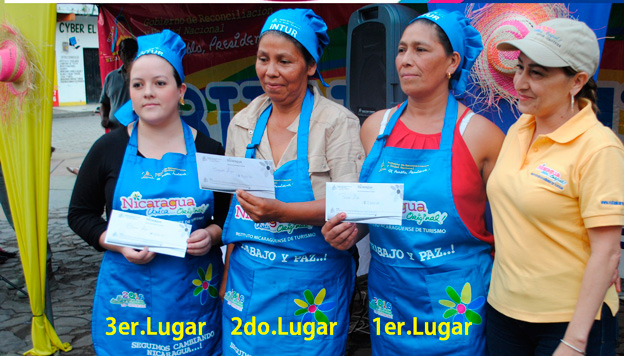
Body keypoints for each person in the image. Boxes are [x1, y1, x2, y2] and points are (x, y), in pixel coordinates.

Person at [323, 9, 504, 355]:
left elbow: (510, 229)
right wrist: (349, 231)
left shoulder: (481, 135)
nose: (406, 60)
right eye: (402, 49)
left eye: (421, 50)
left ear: (452, 61)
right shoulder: (374, 128)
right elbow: (371, 211)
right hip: (390, 302)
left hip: (457, 303)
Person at [68, 30, 229, 356]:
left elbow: (227, 218)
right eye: (138, 85)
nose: (148, 93)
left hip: (192, 305)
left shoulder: (209, 150)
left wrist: (210, 236)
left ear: (181, 90)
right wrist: (116, 242)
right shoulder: (108, 149)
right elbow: (80, 214)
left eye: (160, 83)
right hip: (129, 306)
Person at [220, 8, 364, 355]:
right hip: (251, 282)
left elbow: (353, 204)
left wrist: (282, 211)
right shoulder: (243, 123)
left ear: (310, 66)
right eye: (263, 59)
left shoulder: (336, 123)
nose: (270, 72)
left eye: (284, 61)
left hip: (314, 284)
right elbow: (234, 211)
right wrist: (226, 276)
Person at [485, 18, 624, 356]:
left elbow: (606, 251)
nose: (520, 82)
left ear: (577, 81)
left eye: (537, 73)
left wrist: (575, 342)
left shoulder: (599, 149)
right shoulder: (520, 128)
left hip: (570, 322)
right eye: (519, 68)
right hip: (505, 311)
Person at [100, 37, 138, 132]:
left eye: (132, 50)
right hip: (115, 131)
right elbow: (105, 103)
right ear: (120, 54)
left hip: (138, 131)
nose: (129, 54)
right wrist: (104, 118)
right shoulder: (111, 77)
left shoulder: (145, 76)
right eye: (125, 51)